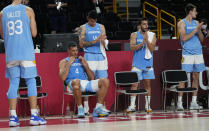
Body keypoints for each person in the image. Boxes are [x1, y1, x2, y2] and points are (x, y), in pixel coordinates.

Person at [0, 0, 46, 127]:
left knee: (14, 82)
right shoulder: (28, 10)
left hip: (11, 53)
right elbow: (34, 33)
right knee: (31, 81)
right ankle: (34, 116)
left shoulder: (2, 12)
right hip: (26, 51)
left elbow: (3, 35)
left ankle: (13, 118)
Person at [59, 44, 110, 118]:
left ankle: (98, 108)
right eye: (73, 51)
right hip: (72, 84)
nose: (75, 53)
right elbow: (62, 78)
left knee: (105, 81)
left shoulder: (81, 60)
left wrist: (85, 65)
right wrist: (69, 64)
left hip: (85, 83)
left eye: (76, 50)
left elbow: (92, 77)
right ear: (68, 51)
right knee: (76, 81)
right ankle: (80, 109)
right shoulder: (63, 62)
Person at [79, 10, 110, 115]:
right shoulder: (83, 28)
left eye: (95, 21)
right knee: (88, 81)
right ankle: (86, 108)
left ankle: (100, 106)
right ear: (88, 18)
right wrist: (94, 41)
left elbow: (105, 39)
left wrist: (103, 41)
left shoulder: (101, 27)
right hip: (89, 56)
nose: (93, 23)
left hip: (101, 56)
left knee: (103, 82)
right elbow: (81, 44)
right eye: (92, 21)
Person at [177, 3, 205, 111]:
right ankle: (180, 103)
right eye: (195, 11)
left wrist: (199, 30)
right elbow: (183, 38)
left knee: (196, 77)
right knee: (183, 77)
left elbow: (202, 39)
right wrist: (195, 30)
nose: (196, 13)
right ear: (190, 12)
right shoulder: (181, 23)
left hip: (198, 52)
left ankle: (193, 102)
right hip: (187, 53)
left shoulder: (196, 23)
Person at [127, 17, 156, 113]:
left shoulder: (152, 35)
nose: (146, 26)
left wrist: (147, 41)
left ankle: (148, 105)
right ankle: (132, 105)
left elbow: (152, 49)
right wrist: (142, 43)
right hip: (137, 64)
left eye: (147, 24)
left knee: (147, 84)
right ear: (140, 26)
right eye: (144, 24)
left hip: (148, 64)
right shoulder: (134, 35)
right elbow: (132, 47)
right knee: (134, 84)